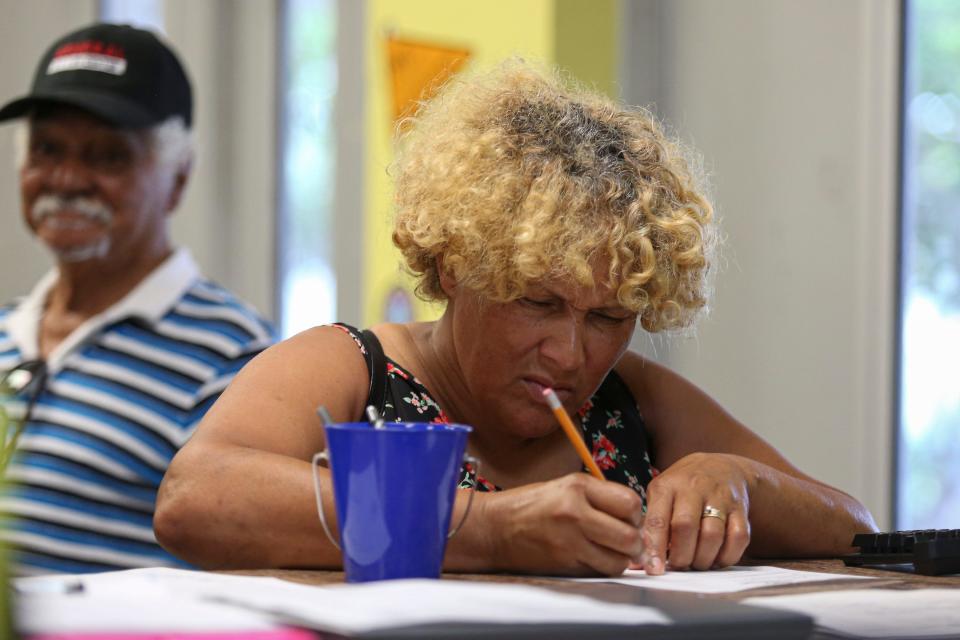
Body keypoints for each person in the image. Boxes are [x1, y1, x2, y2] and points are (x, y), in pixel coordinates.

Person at [155, 60, 877, 576]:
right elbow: (193, 500)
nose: (570, 354)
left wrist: (740, 481)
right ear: (450, 267)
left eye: (608, 317)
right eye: (538, 302)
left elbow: (858, 530)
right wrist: (491, 531)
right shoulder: (353, 367)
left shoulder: (639, 402)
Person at [0, 23, 275, 574]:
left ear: (177, 178)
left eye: (108, 157)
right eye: (48, 148)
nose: (68, 179)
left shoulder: (236, 360)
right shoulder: (7, 329)